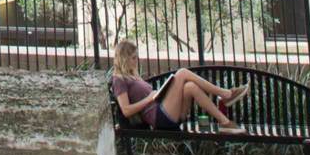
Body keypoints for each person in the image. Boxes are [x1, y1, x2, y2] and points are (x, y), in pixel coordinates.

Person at [105, 36, 245, 131]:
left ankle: (225, 122)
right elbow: (126, 110)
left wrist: (159, 94)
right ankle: (225, 94)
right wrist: (150, 98)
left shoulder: (132, 75)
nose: (136, 61)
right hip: (159, 118)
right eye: (133, 58)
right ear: (124, 59)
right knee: (182, 73)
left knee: (190, 87)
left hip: (167, 113)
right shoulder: (119, 80)